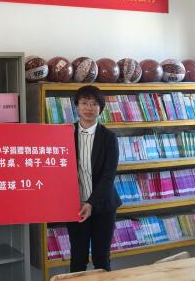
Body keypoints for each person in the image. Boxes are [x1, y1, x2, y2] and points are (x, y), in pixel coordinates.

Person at [67, 85, 121, 272]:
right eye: (84, 103)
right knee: (77, 259)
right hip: (74, 206)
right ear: (77, 106)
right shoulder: (64, 134)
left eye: (94, 104)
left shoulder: (109, 138)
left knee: (101, 258)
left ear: (101, 108)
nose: (88, 108)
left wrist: (91, 203)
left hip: (103, 206)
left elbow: (108, 176)